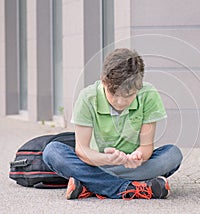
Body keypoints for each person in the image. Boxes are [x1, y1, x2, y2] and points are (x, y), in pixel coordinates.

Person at [43, 48, 183, 200]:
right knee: (52, 152)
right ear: (104, 82)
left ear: (139, 86)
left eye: (128, 96)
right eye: (114, 95)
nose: (121, 102)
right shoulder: (87, 97)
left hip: (133, 166)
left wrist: (139, 156)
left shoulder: (148, 95)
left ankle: (90, 184)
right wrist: (107, 159)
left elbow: (146, 146)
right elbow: (82, 150)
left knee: (172, 155)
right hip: (95, 163)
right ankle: (130, 188)